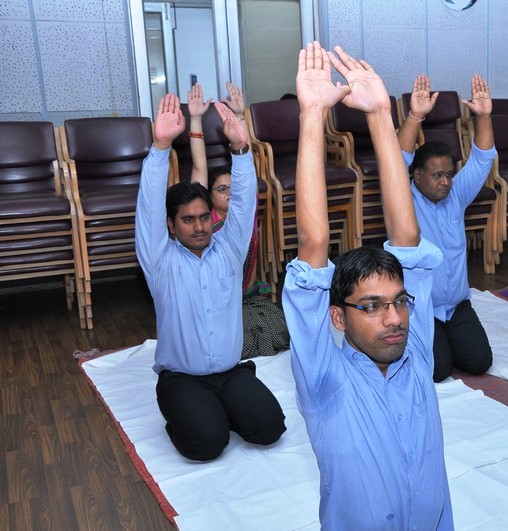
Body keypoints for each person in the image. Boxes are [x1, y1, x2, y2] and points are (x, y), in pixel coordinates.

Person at [282, 42, 452, 528]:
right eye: (372, 306)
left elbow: (407, 237)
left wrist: (381, 115)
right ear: (338, 317)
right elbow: (314, 244)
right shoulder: (324, 379)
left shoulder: (415, 354)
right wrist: (312, 116)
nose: (394, 318)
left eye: (399, 302)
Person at [134, 94, 286, 461]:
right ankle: (184, 415)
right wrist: (161, 146)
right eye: (188, 220)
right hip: (183, 378)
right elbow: (149, 205)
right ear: (171, 225)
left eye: (204, 217)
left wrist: (241, 150)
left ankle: (219, 411)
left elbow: (244, 203)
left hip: (231, 373)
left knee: (270, 429)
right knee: (206, 445)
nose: (200, 226)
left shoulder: (229, 249)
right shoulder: (160, 260)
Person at [397, 73, 497, 382]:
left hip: (456, 306)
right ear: (417, 176)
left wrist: (483, 116)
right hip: (421, 309)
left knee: (479, 362)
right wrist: (415, 117)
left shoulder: (455, 195)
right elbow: (396, 161)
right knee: (438, 370)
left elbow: (481, 160)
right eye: (437, 175)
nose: (445, 182)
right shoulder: (403, 200)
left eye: (449, 175)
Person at [186, 82, 289, 359]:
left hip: (245, 299)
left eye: (234, 188)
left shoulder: (245, 215)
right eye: (222, 189)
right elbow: (199, 166)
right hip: (212, 304)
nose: (230, 193)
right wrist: (195, 118)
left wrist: (241, 116)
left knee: (278, 332)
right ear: (208, 197)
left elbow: (246, 167)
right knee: (224, 344)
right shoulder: (206, 220)